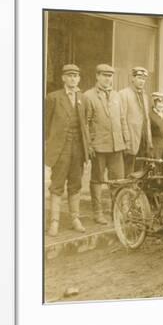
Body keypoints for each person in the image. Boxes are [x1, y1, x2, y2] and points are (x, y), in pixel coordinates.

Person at [44, 64, 90, 236]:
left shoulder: (83, 98)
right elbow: (45, 126)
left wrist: (86, 150)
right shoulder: (53, 98)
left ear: (79, 79)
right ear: (63, 78)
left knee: (75, 183)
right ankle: (54, 222)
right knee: (57, 185)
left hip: (78, 148)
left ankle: (75, 219)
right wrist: (50, 146)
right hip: (60, 149)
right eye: (69, 75)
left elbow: (84, 124)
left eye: (76, 76)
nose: (73, 79)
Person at [84, 64, 130, 225]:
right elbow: (85, 123)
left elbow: (122, 119)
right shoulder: (88, 96)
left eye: (110, 76)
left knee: (118, 180)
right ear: (97, 76)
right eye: (104, 75)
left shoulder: (117, 96)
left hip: (117, 145)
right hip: (98, 146)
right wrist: (89, 145)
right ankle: (98, 213)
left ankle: (116, 211)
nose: (107, 79)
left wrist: (126, 140)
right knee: (97, 179)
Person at [120, 67, 153, 174]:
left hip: (143, 140)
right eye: (139, 78)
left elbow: (146, 119)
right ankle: (126, 190)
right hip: (131, 138)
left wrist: (149, 140)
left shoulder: (144, 95)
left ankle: (137, 190)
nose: (141, 81)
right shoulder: (124, 94)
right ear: (132, 78)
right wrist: (126, 139)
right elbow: (122, 118)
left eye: (143, 79)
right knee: (128, 170)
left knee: (141, 170)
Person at [149, 92, 163, 161]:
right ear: (154, 102)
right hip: (154, 148)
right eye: (159, 102)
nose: (161, 105)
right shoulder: (150, 115)